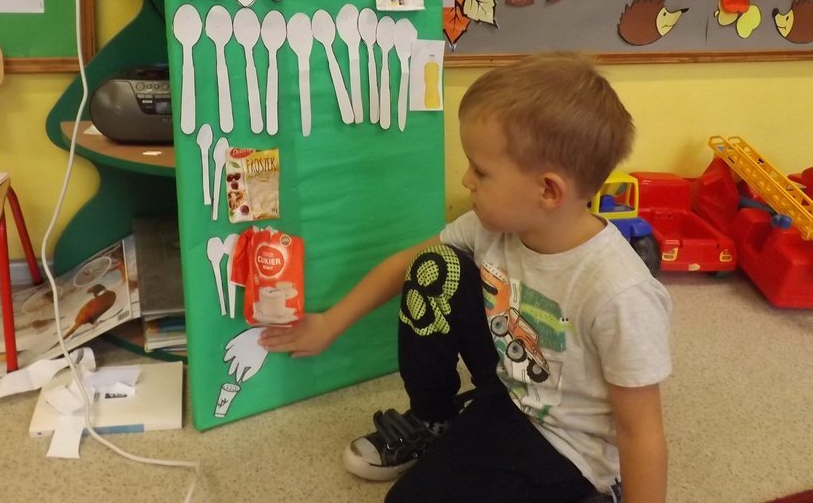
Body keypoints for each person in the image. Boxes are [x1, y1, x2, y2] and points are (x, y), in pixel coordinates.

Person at [260, 52, 672, 503]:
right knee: (433, 266)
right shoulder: (490, 227)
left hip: (569, 446)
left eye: (481, 171)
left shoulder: (619, 292)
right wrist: (329, 323)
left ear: (548, 190)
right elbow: (404, 265)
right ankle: (433, 420)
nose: (466, 179)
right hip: (511, 388)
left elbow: (642, 434)